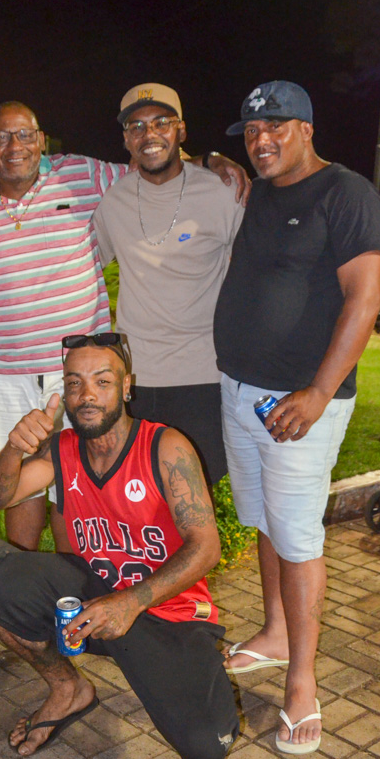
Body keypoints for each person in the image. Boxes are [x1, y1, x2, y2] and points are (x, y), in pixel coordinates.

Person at [0, 99, 249, 550]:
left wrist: (209, 159)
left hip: (77, 367)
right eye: (1, 137)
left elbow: (153, 160)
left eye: (25, 134)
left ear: (42, 140)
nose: (14, 146)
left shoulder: (82, 175)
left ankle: (75, 577)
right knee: (20, 479)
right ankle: (23, 571)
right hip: (5, 368)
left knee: (74, 481)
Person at [0, 334, 240, 759]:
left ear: (126, 386)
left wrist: (130, 602)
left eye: (102, 381)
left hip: (164, 610)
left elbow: (206, 547)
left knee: (205, 748)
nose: (87, 395)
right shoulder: (62, 449)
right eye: (74, 383)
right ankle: (68, 691)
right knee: (1, 588)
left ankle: (200, 673)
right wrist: (15, 448)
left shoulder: (165, 446)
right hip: (93, 599)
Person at [214, 80, 380, 754]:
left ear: (307, 129)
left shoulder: (346, 193)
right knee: (264, 520)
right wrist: (215, 160)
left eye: (276, 127)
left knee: (299, 538)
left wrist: (317, 393)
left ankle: (303, 684)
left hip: (299, 405)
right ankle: (276, 633)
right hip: (240, 390)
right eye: (252, 132)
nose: (261, 141)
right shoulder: (262, 191)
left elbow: (364, 298)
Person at [93, 84, 246, 485]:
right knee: (139, 493)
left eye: (162, 122)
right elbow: (84, 262)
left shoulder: (222, 191)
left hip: (204, 376)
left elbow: (255, 274)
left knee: (194, 494)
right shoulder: (113, 200)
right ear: (126, 139)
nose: (149, 134)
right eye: (137, 126)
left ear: (181, 130)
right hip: (134, 379)